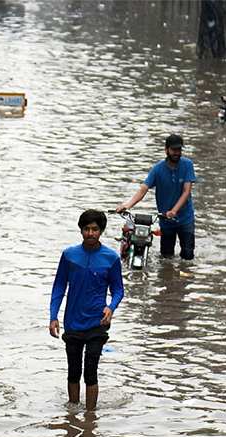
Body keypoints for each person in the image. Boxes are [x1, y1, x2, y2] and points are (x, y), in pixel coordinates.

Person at [49, 209, 124, 410]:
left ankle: (91, 417)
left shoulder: (111, 258)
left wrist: (111, 307)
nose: (90, 234)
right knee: (73, 371)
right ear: (80, 230)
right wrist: (53, 316)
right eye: (86, 229)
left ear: (101, 231)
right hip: (73, 323)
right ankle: (73, 414)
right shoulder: (69, 255)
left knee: (91, 371)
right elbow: (58, 286)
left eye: (95, 229)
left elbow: (118, 289)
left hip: (98, 323)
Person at [117, 134, 196, 260]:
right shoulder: (158, 169)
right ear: (166, 150)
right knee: (166, 257)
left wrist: (174, 211)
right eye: (174, 150)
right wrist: (128, 205)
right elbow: (143, 190)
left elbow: (186, 191)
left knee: (187, 254)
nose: (177, 153)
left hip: (186, 217)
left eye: (179, 150)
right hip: (166, 220)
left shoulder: (187, 165)